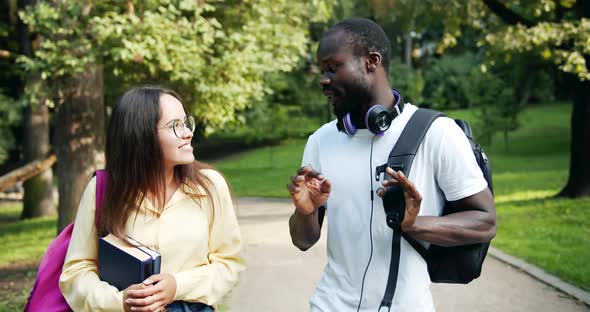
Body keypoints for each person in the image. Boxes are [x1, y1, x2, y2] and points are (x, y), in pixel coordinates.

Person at [287, 18, 496, 311]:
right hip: (328, 305)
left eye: (333, 68)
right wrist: (304, 212)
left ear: (372, 61)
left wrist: (416, 225)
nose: (324, 80)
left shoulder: (437, 132)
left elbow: (485, 221)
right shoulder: (321, 141)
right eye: (322, 71)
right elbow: (303, 240)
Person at [59, 86, 244, 312]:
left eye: (186, 123)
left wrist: (177, 286)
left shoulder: (211, 186)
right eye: (175, 126)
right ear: (141, 135)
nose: (188, 133)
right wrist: (120, 302)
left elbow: (229, 264)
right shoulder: (103, 189)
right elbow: (77, 272)